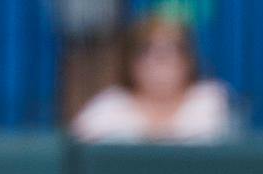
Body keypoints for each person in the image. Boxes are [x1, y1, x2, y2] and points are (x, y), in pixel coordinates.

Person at [69, 14, 232, 144]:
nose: (160, 65)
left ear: (188, 61)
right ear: (130, 62)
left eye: (171, 54)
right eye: (148, 54)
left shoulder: (211, 102)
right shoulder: (107, 108)